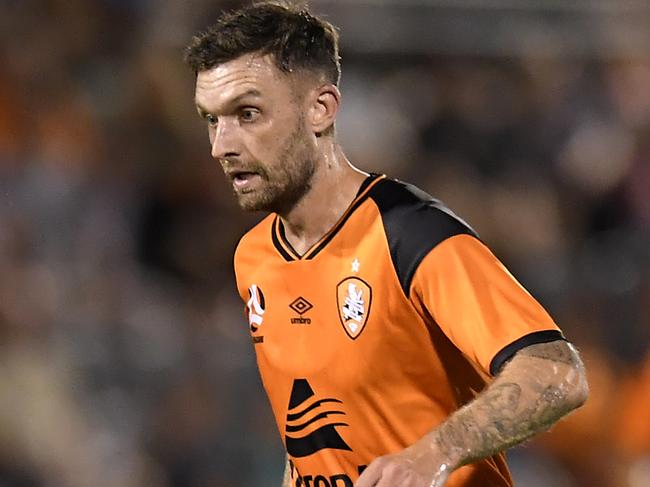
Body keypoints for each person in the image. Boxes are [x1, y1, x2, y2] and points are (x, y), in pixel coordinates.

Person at [184, 3, 589, 486]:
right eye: (212, 120)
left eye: (247, 114)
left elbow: (556, 372)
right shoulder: (254, 257)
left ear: (321, 108)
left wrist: (432, 455)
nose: (220, 146)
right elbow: (312, 445)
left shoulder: (410, 233)